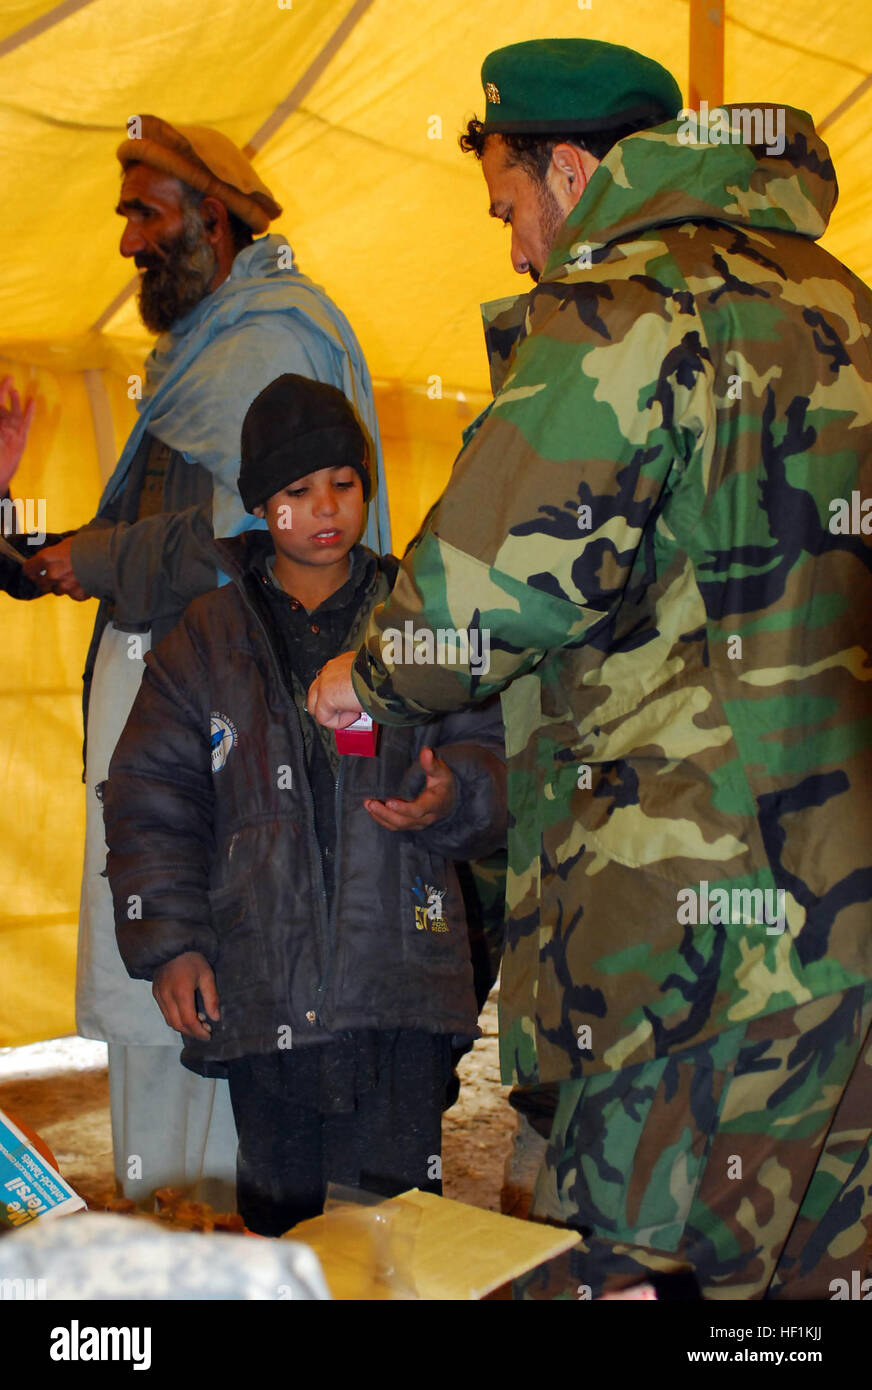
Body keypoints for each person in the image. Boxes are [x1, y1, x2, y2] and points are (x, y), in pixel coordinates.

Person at [307, 39, 872, 1298]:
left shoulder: (623, 304)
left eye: (509, 205)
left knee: (633, 1271)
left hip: (679, 952)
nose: (514, 245)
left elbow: (481, 589)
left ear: (567, 171)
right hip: (844, 929)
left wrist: (370, 674)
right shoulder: (843, 306)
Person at [1, 115, 390, 1209]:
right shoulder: (200, 357)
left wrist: (96, 554)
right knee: (164, 1055)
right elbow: (150, 547)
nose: (126, 240)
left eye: (146, 211)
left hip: (231, 773)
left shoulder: (268, 340)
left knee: (209, 1061)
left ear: (214, 219)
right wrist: (38, 534)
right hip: (170, 759)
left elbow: (248, 541)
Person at [101, 373, 506, 1235]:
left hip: (402, 986)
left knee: (399, 1234)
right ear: (257, 504)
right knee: (283, 1235)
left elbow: (497, 753)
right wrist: (171, 945)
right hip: (262, 990)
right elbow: (149, 800)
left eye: (345, 485)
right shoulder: (204, 638)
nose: (325, 507)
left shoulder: (419, 621)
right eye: (297, 491)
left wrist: (453, 793)